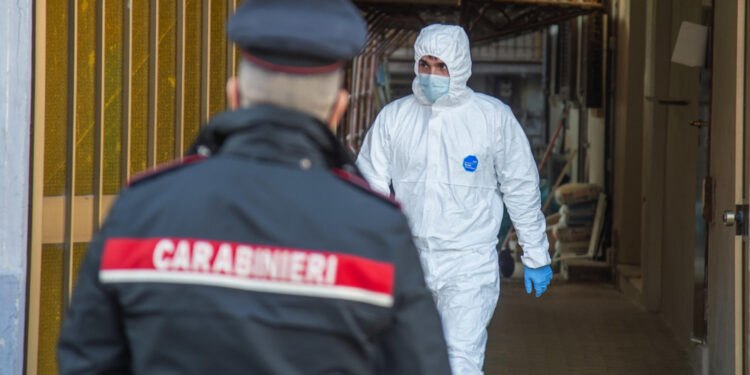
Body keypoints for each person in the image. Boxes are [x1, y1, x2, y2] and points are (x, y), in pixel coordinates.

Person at [57, 2, 451, 374]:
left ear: (235, 95)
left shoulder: (142, 209)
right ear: (337, 110)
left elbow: (85, 358)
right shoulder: (377, 233)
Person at [356, 24, 553, 375]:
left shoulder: (491, 119)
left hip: (468, 262)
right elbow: (369, 187)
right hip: (409, 259)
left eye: (442, 66)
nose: (432, 74)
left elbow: (520, 187)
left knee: (458, 360)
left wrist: (535, 253)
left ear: (460, 66)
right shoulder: (395, 118)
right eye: (425, 64)